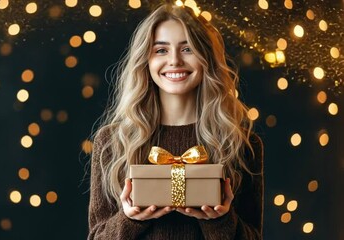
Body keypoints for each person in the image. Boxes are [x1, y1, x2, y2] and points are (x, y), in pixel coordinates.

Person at [87, 3, 264, 240]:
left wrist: (221, 220)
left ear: (206, 58)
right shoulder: (112, 141)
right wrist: (129, 220)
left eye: (188, 49)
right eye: (161, 50)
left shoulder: (241, 143)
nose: (174, 61)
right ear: (145, 60)